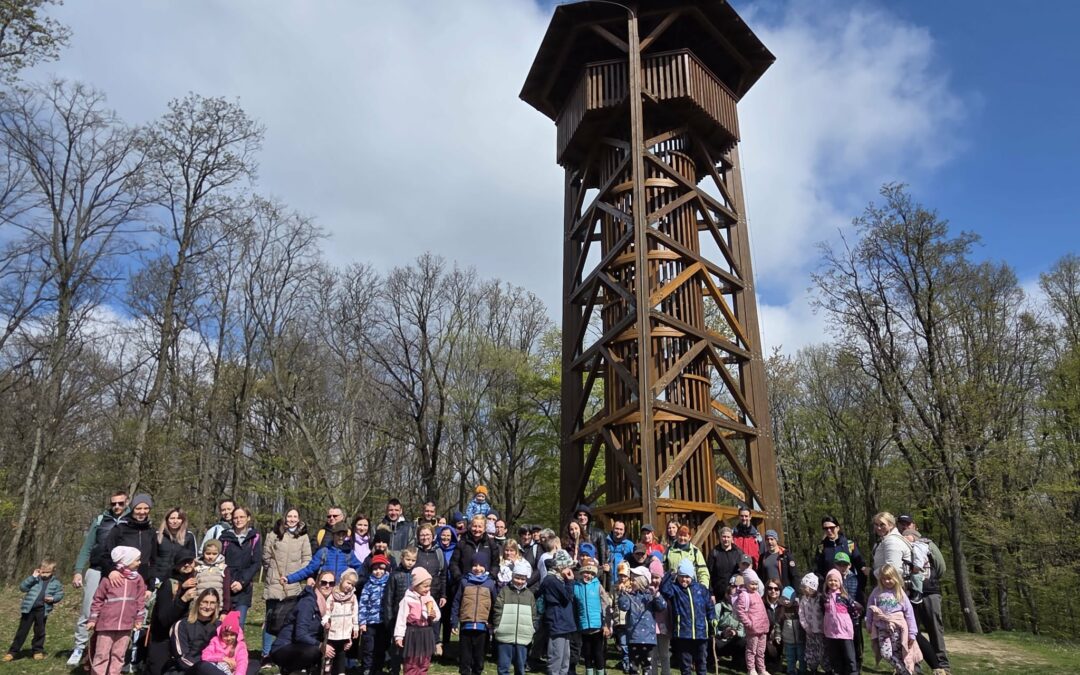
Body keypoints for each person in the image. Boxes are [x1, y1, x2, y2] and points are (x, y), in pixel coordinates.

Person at [69, 491, 129, 667]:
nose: (116, 506)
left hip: (120, 572)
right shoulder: (101, 520)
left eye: (120, 503)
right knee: (88, 610)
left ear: (127, 503)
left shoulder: (132, 520)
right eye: (113, 503)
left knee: (116, 613)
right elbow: (87, 546)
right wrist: (78, 570)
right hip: (96, 569)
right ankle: (79, 647)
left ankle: (108, 651)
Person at [897, 517, 950, 675]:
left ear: (915, 526)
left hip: (929, 592)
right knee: (911, 631)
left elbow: (941, 567)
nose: (905, 527)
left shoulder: (927, 543)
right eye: (902, 524)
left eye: (908, 524)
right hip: (908, 594)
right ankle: (914, 667)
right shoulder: (897, 544)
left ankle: (943, 666)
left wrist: (928, 579)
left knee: (935, 629)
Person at [262, 508, 312, 664]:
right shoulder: (273, 535)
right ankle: (266, 655)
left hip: (293, 584)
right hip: (275, 582)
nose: (292, 519)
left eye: (295, 516)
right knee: (270, 619)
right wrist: (273, 572)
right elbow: (266, 557)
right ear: (285, 518)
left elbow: (307, 559)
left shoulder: (303, 537)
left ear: (299, 519)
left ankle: (283, 651)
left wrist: (297, 575)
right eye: (289, 516)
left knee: (288, 621)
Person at [87, 547, 147, 675]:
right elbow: (98, 599)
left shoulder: (138, 579)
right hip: (106, 624)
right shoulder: (108, 579)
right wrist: (92, 619)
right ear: (126, 561)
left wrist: (139, 619)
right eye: (137, 560)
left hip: (126, 624)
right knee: (102, 654)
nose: (139, 562)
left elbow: (140, 600)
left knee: (119, 654)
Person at [270, 570, 334, 674]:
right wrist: (320, 645)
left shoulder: (326, 604)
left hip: (302, 645)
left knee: (331, 648)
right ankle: (289, 670)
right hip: (284, 646)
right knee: (315, 651)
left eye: (331, 583)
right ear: (317, 583)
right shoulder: (308, 602)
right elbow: (300, 635)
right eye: (324, 582)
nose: (327, 586)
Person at [660, 559, 714, 675]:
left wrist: (712, 618)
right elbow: (664, 589)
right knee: (685, 664)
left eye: (687, 577)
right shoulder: (675, 589)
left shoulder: (701, 589)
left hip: (701, 633)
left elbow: (709, 606)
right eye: (681, 576)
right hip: (683, 633)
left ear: (692, 576)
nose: (684, 579)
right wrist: (670, 574)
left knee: (701, 662)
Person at [4, 557, 64, 662]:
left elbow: (59, 594)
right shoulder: (35, 579)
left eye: (47, 572)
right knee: (22, 631)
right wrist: (32, 577)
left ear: (53, 571)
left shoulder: (56, 583)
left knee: (39, 631)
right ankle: (12, 652)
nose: (44, 574)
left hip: (42, 609)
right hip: (29, 609)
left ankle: (37, 651)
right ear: (39, 569)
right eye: (43, 572)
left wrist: (53, 598)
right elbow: (22, 587)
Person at [145, 553, 197, 675]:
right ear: (176, 565)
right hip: (163, 640)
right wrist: (183, 599)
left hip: (184, 639)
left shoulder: (198, 582)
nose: (187, 565)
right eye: (183, 562)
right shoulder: (170, 584)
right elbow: (164, 618)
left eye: (190, 561)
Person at [866, 564, 921, 675]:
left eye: (889, 578)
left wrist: (912, 633)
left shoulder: (900, 592)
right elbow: (869, 607)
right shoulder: (877, 591)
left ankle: (903, 671)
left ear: (895, 578)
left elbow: (909, 613)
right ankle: (905, 671)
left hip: (897, 628)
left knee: (898, 653)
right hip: (882, 628)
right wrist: (869, 623)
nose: (886, 581)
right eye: (884, 579)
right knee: (885, 654)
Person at [452, 551, 497, 675]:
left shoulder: (490, 584)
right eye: (474, 565)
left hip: (483, 626)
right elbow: (456, 602)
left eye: (481, 565)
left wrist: (492, 622)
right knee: (465, 656)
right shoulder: (464, 582)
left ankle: (477, 671)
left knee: (479, 656)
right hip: (466, 625)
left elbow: (495, 605)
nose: (477, 568)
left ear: (486, 567)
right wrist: (454, 621)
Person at [394, 567, 441, 675]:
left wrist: (433, 616)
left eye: (429, 586)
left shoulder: (429, 599)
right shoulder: (407, 599)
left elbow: (437, 615)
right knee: (412, 660)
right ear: (415, 585)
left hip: (426, 632)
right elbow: (401, 619)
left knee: (425, 660)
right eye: (425, 586)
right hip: (412, 632)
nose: (427, 589)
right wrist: (399, 636)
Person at [103, 492, 157, 586]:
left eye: (146, 508)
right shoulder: (120, 529)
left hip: (143, 581)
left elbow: (153, 560)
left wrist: (151, 586)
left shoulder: (151, 531)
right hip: (120, 580)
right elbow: (105, 554)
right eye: (138, 508)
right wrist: (111, 571)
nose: (142, 512)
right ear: (132, 509)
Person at [619, 566, 665, 675]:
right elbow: (623, 607)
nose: (631, 581)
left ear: (642, 580)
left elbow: (662, 607)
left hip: (648, 639)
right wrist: (622, 594)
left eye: (634, 579)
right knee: (633, 667)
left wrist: (656, 595)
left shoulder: (650, 596)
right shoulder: (631, 595)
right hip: (633, 638)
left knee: (648, 667)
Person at [285, 521, 360, 587]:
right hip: (325, 589)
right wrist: (289, 579)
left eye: (343, 535)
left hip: (341, 592)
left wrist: (352, 579)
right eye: (338, 534)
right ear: (333, 535)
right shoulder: (323, 552)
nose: (341, 538)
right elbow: (308, 569)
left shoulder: (348, 553)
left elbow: (360, 568)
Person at [220, 507, 261, 626]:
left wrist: (241, 582)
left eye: (242, 517)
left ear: (248, 518)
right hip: (225, 587)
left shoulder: (255, 537)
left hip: (244, 589)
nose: (238, 520)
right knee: (222, 625)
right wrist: (230, 581)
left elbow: (256, 563)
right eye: (235, 518)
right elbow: (220, 561)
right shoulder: (225, 537)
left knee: (238, 626)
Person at [493, 559, 536, 675]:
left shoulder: (529, 595)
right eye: (517, 578)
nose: (520, 581)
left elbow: (533, 614)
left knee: (520, 667)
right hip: (505, 634)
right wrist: (497, 627)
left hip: (523, 635)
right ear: (512, 577)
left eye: (523, 579)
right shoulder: (505, 591)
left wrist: (532, 629)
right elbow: (497, 610)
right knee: (503, 666)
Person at [166, 589, 222, 675]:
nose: (208, 607)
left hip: (215, 667)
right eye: (205, 602)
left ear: (216, 605)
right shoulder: (182, 625)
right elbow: (182, 659)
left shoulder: (219, 626)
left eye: (212, 603)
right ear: (198, 602)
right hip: (187, 670)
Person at [384, 548, 420, 675]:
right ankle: (394, 669)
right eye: (408, 559)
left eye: (413, 560)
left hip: (412, 618)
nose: (410, 562)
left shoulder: (416, 575)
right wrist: (389, 619)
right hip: (397, 616)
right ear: (402, 558)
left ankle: (410, 669)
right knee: (397, 646)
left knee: (410, 645)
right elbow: (388, 599)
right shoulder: (395, 575)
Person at [540, 550, 577, 675]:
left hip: (564, 623)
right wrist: (570, 582)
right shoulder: (551, 580)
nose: (569, 570)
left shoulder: (560, 580)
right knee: (556, 657)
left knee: (565, 658)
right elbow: (567, 597)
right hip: (557, 622)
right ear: (561, 567)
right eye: (567, 566)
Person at [572, 559, 612, 675]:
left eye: (591, 573)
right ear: (581, 573)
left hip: (597, 626)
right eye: (586, 572)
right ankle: (589, 672)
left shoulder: (598, 586)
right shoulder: (576, 587)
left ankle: (600, 672)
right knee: (587, 653)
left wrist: (606, 624)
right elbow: (574, 606)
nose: (588, 575)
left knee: (598, 653)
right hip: (584, 626)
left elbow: (605, 605)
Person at [414, 525, 447, 656]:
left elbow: (443, 575)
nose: (425, 537)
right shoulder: (415, 551)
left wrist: (443, 594)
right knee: (419, 621)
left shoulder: (439, 553)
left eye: (427, 534)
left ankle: (435, 644)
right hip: (417, 594)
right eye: (422, 535)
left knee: (433, 619)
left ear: (433, 536)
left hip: (435, 592)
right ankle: (419, 650)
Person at [813, 515, 866, 593]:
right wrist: (823, 588)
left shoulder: (849, 544)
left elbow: (860, 567)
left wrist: (861, 587)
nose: (829, 530)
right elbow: (818, 570)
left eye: (832, 528)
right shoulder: (821, 547)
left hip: (850, 589)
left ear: (838, 528)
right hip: (830, 590)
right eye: (826, 528)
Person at [358, 554, 392, 675]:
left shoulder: (389, 583)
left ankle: (378, 667)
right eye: (375, 569)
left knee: (381, 646)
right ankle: (367, 668)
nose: (378, 571)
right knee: (369, 647)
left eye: (381, 568)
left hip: (384, 622)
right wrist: (362, 622)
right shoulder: (368, 585)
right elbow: (363, 603)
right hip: (370, 622)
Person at [323, 570, 360, 675]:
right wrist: (325, 622)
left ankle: (341, 672)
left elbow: (355, 613)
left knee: (341, 654)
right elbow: (327, 611)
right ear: (342, 580)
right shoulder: (332, 596)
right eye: (348, 583)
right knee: (330, 654)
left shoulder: (353, 597)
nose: (350, 586)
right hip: (333, 632)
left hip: (345, 632)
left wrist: (355, 627)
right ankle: (327, 670)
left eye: (352, 585)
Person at [822, 569, 858, 675]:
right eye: (830, 580)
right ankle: (838, 672)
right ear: (826, 582)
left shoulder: (844, 596)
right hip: (831, 632)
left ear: (840, 582)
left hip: (844, 632)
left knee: (849, 656)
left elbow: (853, 610)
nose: (833, 582)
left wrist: (853, 623)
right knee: (835, 657)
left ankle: (852, 672)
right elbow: (823, 611)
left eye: (835, 580)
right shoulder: (825, 597)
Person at [832, 551, 864, 671]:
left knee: (856, 641)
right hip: (839, 617)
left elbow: (859, 595)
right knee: (842, 643)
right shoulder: (833, 579)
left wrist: (859, 607)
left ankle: (857, 665)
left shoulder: (855, 578)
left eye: (844, 564)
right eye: (839, 564)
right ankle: (843, 666)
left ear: (849, 565)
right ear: (835, 565)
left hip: (854, 615)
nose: (842, 567)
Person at [734, 570, 769, 675]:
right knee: (751, 650)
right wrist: (748, 623)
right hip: (753, 629)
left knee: (761, 651)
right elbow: (740, 611)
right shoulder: (744, 595)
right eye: (752, 584)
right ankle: (751, 669)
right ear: (746, 583)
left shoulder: (757, 594)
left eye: (756, 584)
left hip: (762, 628)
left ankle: (762, 669)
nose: (754, 586)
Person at [451, 515, 502, 585]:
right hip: (466, 583)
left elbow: (495, 564)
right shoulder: (462, 543)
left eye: (480, 527)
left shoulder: (491, 544)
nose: (477, 529)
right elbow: (454, 563)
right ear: (470, 527)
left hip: (485, 584)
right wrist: (459, 578)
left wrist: (490, 578)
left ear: (484, 528)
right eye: (474, 526)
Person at [153, 508, 198, 587]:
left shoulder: (189, 536)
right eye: (172, 518)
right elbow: (151, 560)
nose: (175, 521)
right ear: (167, 519)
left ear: (183, 520)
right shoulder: (157, 535)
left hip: (180, 580)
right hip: (158, 579)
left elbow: (193, 561)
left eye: (178, 518)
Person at [200, 610, 250, 675]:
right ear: (221, 634)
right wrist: (223, 658)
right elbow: (205, 656)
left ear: (236, 634)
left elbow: (242, 662)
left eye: (232, 635)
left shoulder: (240, 645)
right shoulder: (215, 641)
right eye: (225, 635)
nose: (229, 638)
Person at [870, 512, 911, 582]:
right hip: (888, 583)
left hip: (894, 585)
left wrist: (871, 572)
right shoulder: (886, 539)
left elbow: (893, 568)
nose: (879, 528)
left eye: (882, 525)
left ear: (891, 525)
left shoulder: (892, 541)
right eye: (876, 524)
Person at [573, 505, 610, 580]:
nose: (582, 517)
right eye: (580, 515)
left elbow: (603, 557)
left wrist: (602, 573)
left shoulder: (599, 533)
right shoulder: (572, 534)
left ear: (589, 517)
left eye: (585, 515)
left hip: (594, 573)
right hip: (577, 573)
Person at [796, 574, 823, 675]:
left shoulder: (820, 598)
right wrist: (806, 627)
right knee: (811, 651)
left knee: (823, 651)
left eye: (805, 587)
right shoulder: (804, 599)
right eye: (802, 586)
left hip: (821, 631)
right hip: (810, 632)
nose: (803, 589)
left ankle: (827, 669)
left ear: (812, 587)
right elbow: (801, 614)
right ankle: (813, 669)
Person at [708, 527, 743, 602]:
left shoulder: (738, 552)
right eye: (724, 537)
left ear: (732, 538)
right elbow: (709, 574)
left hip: (735, 594)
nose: (726, 539)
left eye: (728, 537)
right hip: (718, 594)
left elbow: (743, 572)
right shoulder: (714, 552)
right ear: (720, 538)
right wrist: (711, 593)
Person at [775, 587, 803, 675]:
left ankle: (803, 670)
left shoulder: (798, 608)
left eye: (788, 599)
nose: (786, 601)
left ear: (793, 599)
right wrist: (778, 635)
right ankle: (791, 671)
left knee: (801, 656)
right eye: (784, 599)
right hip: (788, 640)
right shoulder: (782, 610)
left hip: (800, 639)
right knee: (790, 657)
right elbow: (778, 623)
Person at [195, 540, 231, 610]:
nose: (211, 556)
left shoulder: (223, 568)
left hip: (216, 607)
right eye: (208, 553)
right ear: (203, 553)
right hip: (199, 606)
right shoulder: (198, 568)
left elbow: (226, 590)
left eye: (214, 554)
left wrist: (225, 610)